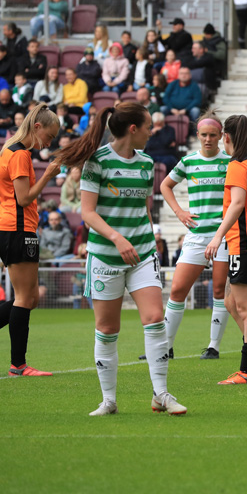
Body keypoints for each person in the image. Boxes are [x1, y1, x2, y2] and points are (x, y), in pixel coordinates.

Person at [55, 102, 186, 415]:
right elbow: (86, 212)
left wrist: (151, 239)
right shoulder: (96, 162)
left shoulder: (145, 163)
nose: (150, 133)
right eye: (148, 128)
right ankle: (109, 401)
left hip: (141, 254)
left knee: (155, 318)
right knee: (107, 328)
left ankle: (161, 395)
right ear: (133, 129)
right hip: (105, 256)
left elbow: (142, 208)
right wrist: (116, 238)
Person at [203, 115, 247, 385]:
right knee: (231, 302)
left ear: (227, 137)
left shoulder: (237, 165)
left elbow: (237, 204)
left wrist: (217, 236)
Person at [153, 112, 231, 360]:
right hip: (197, 236)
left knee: (219, 289)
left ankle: (214, 346)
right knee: (177, 289)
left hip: (223, 234)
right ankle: (166, 346)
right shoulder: (188, 161)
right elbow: (165, 185)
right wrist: (179, 212)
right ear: (197, 135)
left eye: (213, 135)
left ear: (221, 136)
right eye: (204, 135)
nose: (208, 139)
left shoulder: (230, 163)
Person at [0, 103, 59, 377]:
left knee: (30, 298)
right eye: (49, 135)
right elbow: (23, 198)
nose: (49, 141)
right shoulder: (20, 154)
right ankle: (19, 365)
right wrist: (48, 174)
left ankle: (18, 364)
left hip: (13, 228)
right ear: (37, 127)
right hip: (17, 228)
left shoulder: (10, 150)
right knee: (25, 298)